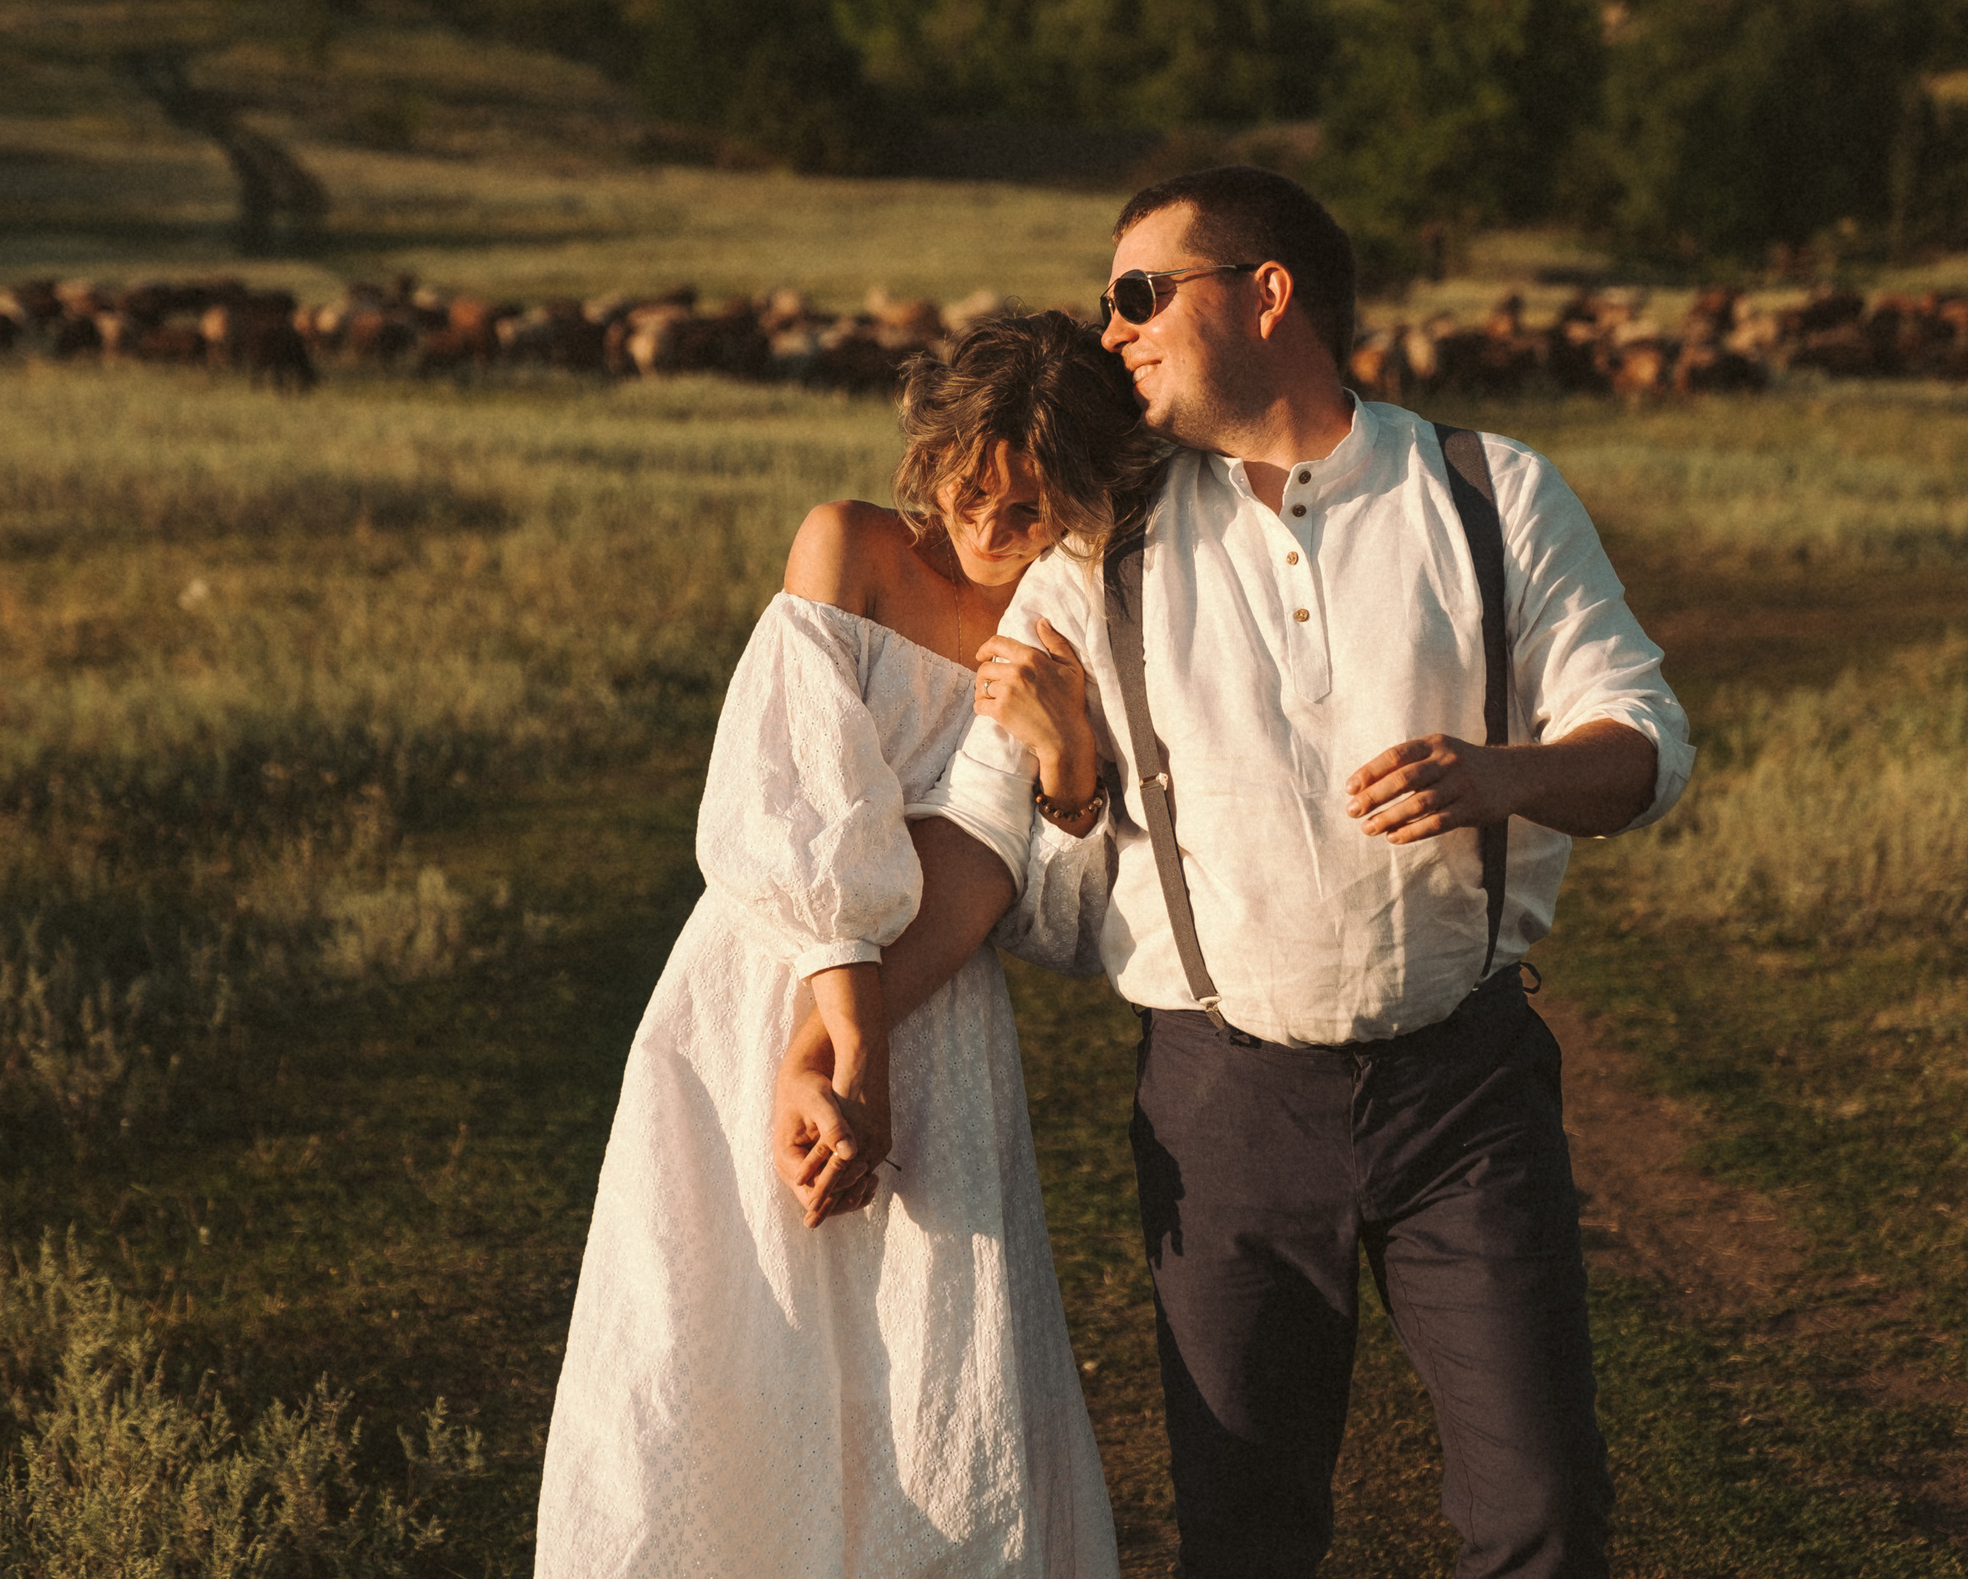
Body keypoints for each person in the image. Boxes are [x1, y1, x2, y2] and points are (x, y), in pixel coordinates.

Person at [889, 167, 1697, 1578]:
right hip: (1223, 1108)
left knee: (1545, 1513)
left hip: (1469, 1091)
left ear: (1269, 293)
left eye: (1141, 293)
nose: (1116, 328)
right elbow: (993, 834)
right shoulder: (1104, 544)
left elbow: (1647, 739)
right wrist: (848, 1008)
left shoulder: (1490, 490)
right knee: (1245, 1534)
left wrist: (1505, 773)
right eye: (1108, 302)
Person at [532, 311, 1155, 1577]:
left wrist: (1071, 758)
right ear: (932, 458)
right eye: (975, 492)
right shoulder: (849, 545)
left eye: (1032, 509)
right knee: (710, 1325)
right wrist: (838, 1041)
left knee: (933, 1364)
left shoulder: (1067, 610)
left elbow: (1030, 899)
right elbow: (791, 801)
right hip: (760, 981)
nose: (993, 530)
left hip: (939, 1011)